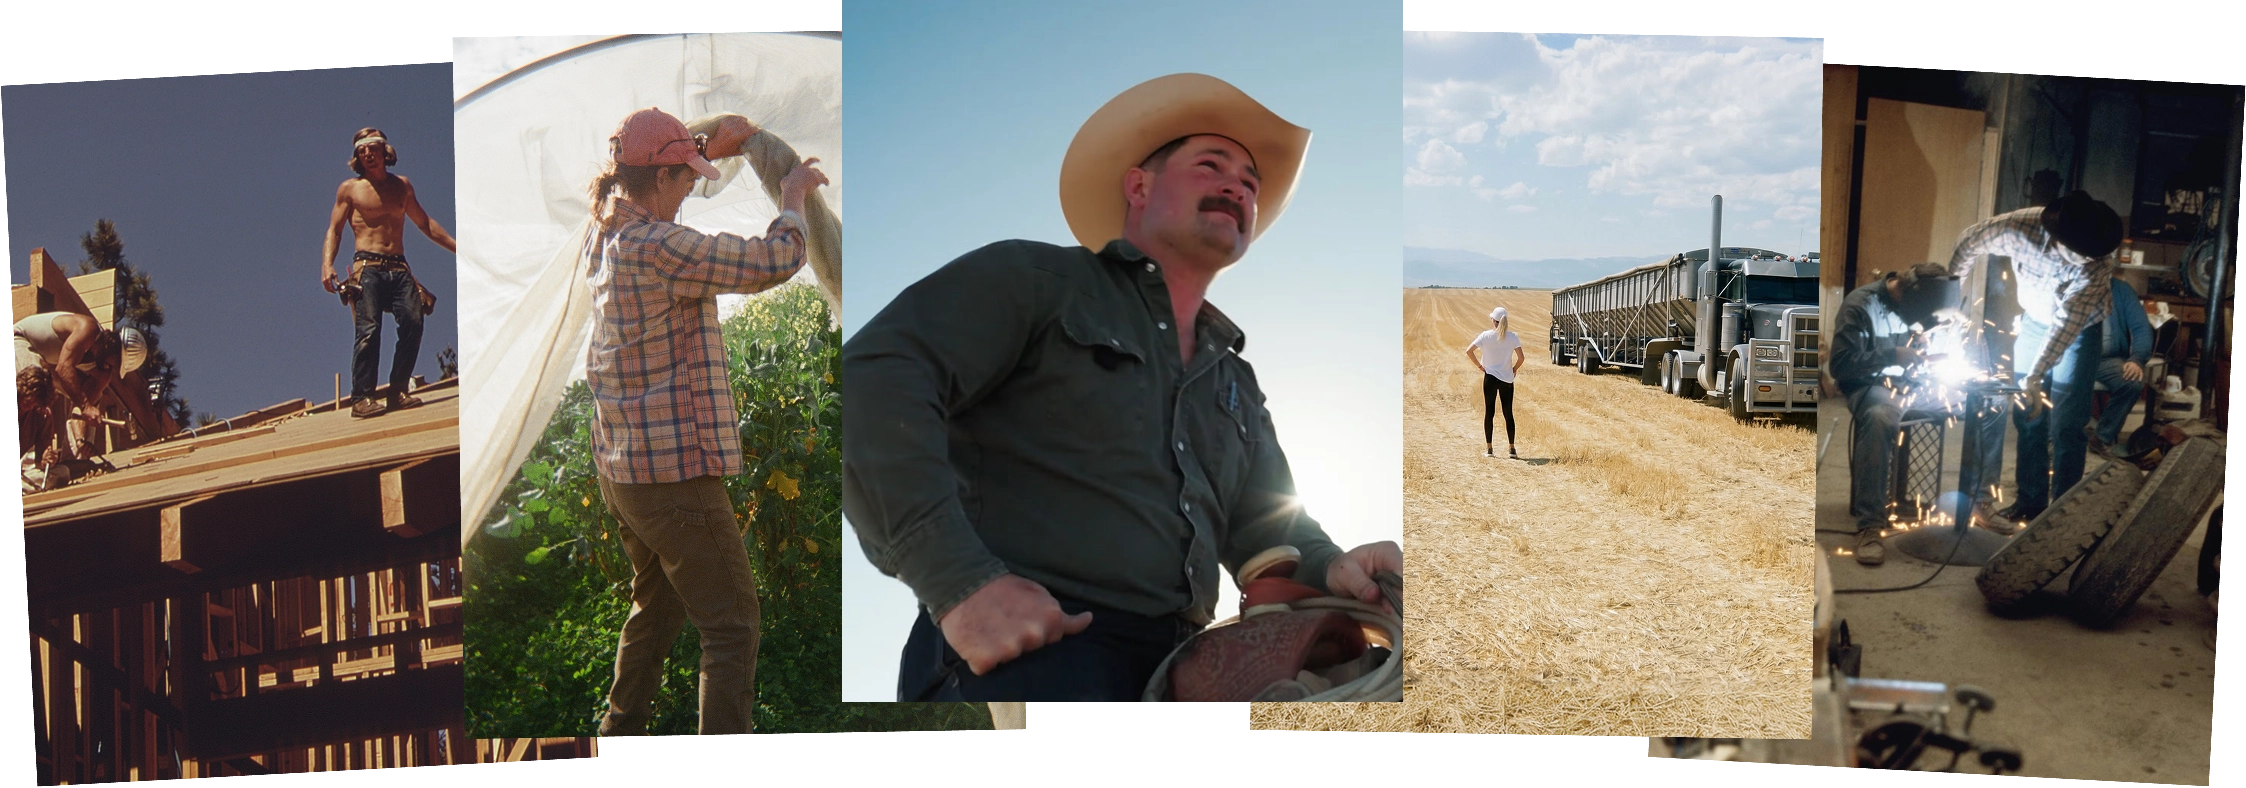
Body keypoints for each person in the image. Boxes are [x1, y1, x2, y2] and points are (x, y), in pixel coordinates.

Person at [842, 73, 1404, 703]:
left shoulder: (1234, 380)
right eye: (1211, 165)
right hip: (1032, 654)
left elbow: (1272, 523)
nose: (1237, 186)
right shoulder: (1036, 280)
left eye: (1250, 182)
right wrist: (958, 584)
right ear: (1138, 186)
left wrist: (1335, 566)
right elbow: (878, 375)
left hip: (1186, 665)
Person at [583, 107, 825, 737]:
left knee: (658, 605)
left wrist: (699, 148)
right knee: (732, 626)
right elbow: (773, 260)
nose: (691, 186)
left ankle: (618, 732)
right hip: (674, 479)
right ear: (659, 176)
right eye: (684, 176)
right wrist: (793, 194)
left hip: (624, 472)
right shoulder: (660, 247)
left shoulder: (604, 229)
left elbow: (652, 173)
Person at [1950, 190, 2123, 525]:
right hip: (2034, 320)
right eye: (2083, 255)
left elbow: (2065, 326)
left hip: (2080, 329)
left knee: (2067, 422)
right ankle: (2031, 502)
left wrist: (2035, 374)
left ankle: (2061, 512)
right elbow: (1969, 241)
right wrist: (1950, 296)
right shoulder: (2019, 229)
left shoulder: (2097, 265)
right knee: (2028, 412)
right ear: (2058, 240)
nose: (2090, 260)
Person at [1827, 263, 1960, 566]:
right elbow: (1840, 366)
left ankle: (1982, 504)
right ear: (1904, 292)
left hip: (1916, 384)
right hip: (1872, 386)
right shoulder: (1860, 306)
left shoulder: (1917, 305)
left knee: (1987, 402)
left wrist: (1925, 347)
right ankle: (1870, 526)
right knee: (1879, 418)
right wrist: (1892, 355)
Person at [323, 128, 458, 418]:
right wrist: (327, 265)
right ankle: (362, 398)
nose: (368, 154)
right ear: (357, 157)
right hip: (367, 267)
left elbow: (425, 223)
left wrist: (460, 249)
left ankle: (397, 391)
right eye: (362, 151)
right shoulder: (350, 189)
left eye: (372, 148)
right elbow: (335, 230)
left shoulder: (402, 186)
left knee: (413, 322)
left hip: (398, 266)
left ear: (385, 151)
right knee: (368, 330)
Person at [2089, 278, 2153, 456]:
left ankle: (2101, 437)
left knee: (2131, 382)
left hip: (2107, 360)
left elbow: (2141, 327)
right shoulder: (2071, 283)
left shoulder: (2121, 290)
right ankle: (2052, 438)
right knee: (2053, 380)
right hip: (2074, 358)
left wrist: (2137, 359)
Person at [1465, 306, 1525, 458]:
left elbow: (1469, 351)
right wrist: (1514, 369)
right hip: (1507, 379)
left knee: (1489, 412)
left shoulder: (1485, 336)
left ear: (1494, 320)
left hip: (1490, 378)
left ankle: (1489, 449)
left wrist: (1480, 366)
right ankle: (1512, 449)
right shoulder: (1513, 337)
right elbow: (1521, 358)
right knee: (1508, 413)